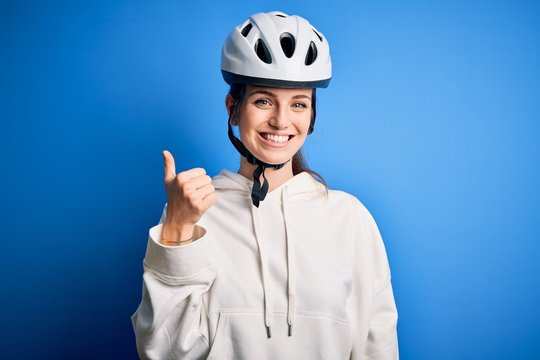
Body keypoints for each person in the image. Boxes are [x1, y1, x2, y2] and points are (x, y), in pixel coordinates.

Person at [132, 11, 399, 359]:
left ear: (311, 115)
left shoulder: (350, 219)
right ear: (233, 108)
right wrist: (178, 230)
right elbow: (160, 351)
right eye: (263, 100)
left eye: (298, 104)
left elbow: (377, 347)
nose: (281, 120)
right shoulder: (191, 214)